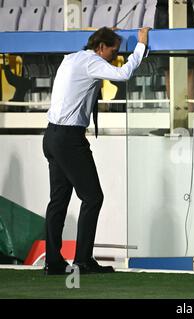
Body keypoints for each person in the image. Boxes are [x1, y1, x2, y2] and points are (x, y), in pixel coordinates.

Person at [43, 26, 150, 275]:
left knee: (58, 201)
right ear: (101, 47)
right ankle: (82, 260)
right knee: (93, 197)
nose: (114, 58)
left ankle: (53, 262)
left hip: (51, 135)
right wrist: (141, 44)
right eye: (112, 52)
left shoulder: (71, 58)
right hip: (69, 139)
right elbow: (123, 74)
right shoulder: (92, 62)